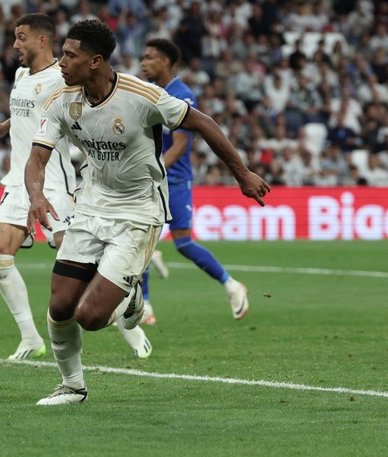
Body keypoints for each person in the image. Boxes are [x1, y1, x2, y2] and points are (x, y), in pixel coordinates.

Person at [25, 20, 270, 405]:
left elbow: (202, 122)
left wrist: (242, 173)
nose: (61, 62)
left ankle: (130, 296)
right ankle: (72, 386)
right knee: (59, 307)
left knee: (89, 317)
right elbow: (36, 158)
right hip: (90, 207)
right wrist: (36, 196)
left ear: (96, 61)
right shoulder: (61, 100)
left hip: (138, 212)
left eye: (70, 55)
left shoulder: (143, 96)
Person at [0, 14, 153, 360]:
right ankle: (30, 337)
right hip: (19, 180)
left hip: (53, 184)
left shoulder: (64, 82)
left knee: (78, 269)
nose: (15, 45)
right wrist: (2, 127)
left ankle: (126, 317)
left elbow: (64, 113)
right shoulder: (20, 76)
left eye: (21, 37)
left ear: (41, 41)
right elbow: (28, 112)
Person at [139, 38, 250, 323]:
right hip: (153, 177)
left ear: (165, 61)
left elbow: (178, 146)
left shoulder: (182, 95)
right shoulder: (148, 93)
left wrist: (153, 170)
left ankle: (231, 285)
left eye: (149, 57)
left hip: (173, 179)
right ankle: (146, 306)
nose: (143, 62)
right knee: (138, 238)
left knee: (183, 243)